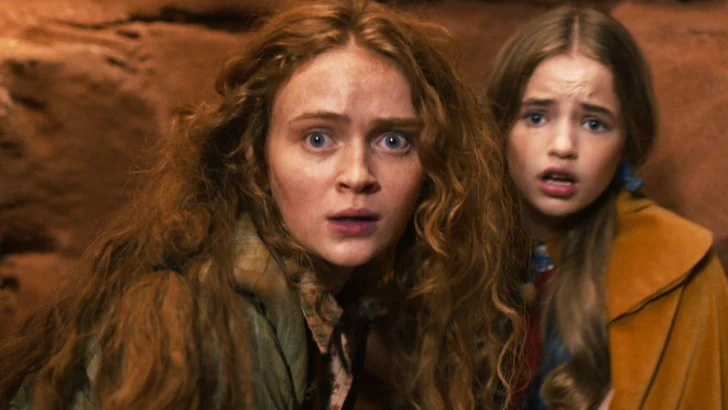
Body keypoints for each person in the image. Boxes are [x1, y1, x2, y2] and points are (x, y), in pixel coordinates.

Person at [0, 0, 527, 409]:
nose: (357, 176)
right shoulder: (214, 321)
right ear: (255, 157)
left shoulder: (330, 303)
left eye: (393, 141)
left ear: (433, 165)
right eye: (318, 139)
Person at [485, 5, 728, 410]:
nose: (563, 146)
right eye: (537, 117)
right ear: (500, 126)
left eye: (594, 123)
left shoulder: (680, 271)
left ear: (627, 141)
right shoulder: (448, 246)